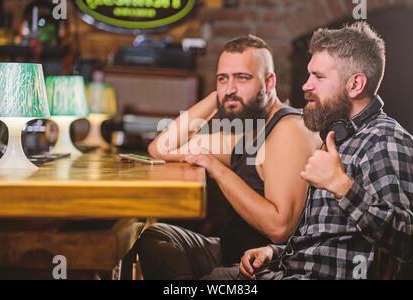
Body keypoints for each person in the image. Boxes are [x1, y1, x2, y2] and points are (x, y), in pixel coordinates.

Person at [210, 22, 413, 280]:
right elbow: (325, 241)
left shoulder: (387, 142)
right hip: (285, 270)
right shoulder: (341, 137)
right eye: (309, 75)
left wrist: (341, 185)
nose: (306, 86)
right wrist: (275, 251)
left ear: (355, 85)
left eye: (319, 77)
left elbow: (406, 240)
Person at [123, 35, 321, 280]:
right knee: (156, 237)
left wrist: (215, 167)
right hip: (229, 250)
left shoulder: (289, 129)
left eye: (242, 78)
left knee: (214, 278)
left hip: (267, 268)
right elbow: (161, 147)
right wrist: (221, 96)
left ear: (269, 82)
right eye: (222, 78)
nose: (230, 88)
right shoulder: (250, 129)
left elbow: (280, 229)